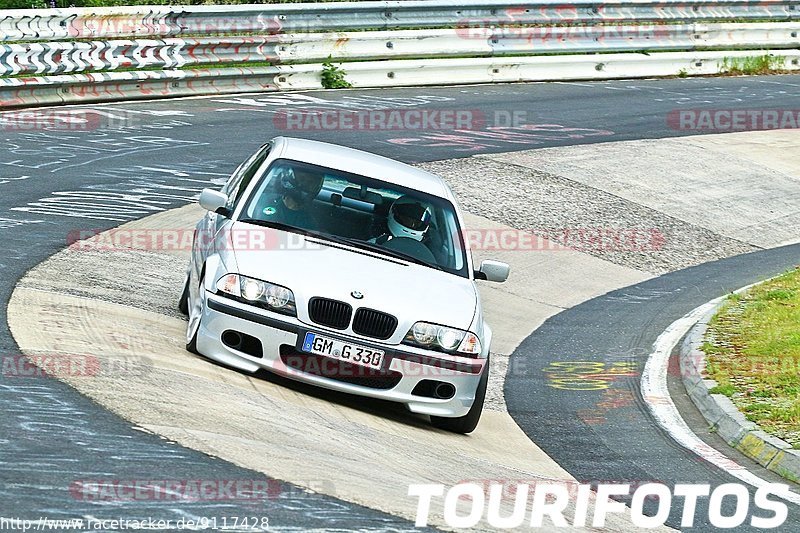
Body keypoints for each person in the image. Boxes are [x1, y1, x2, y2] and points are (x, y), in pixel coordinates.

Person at [257, 166, 324, 229]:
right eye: (302, 179)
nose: (303, 185)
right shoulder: (261, 200)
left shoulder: (308, 222)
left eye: (310, 183)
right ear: (290, 178)